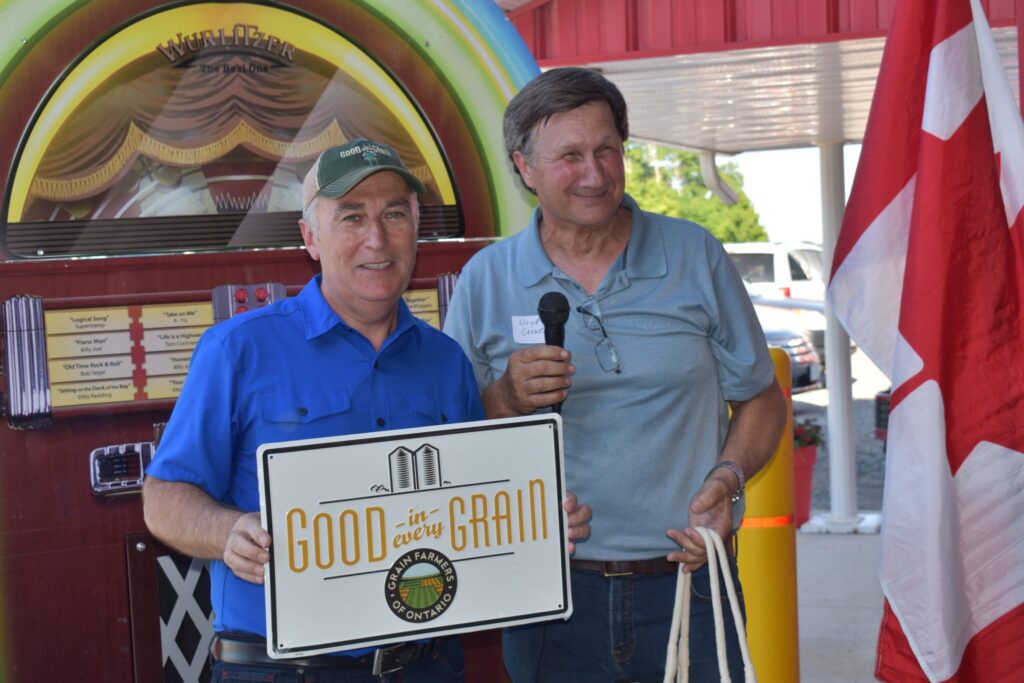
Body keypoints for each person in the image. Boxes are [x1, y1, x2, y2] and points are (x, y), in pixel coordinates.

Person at [143, 138, 593, 681]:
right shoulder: (237, 350)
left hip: (423, 667)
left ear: (416, 229)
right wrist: (228, 532)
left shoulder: (445, 361)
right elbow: (163, 498)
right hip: (283, 670)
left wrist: (533, 525)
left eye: (394, 214)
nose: (376, 238)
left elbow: (469, 507)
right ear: (310, 237)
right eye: (352, 216)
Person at [442, 68, 787, 682]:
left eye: (606, 150)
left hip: (688, 585)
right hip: (547, 596)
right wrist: (505, 397)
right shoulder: (486, 279)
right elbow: (448, 438)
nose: (595, 174)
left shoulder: (694, 255)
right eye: (570, 156)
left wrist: (728, 480)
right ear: (524, 168)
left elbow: (761, 397)